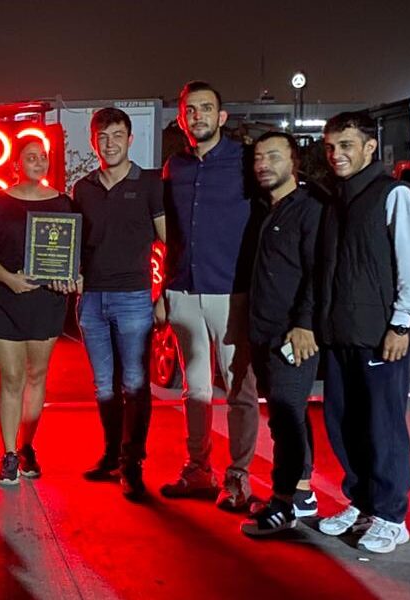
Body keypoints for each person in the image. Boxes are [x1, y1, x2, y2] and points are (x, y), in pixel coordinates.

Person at [315, 112, 410, 554]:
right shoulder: (336, 200)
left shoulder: (394, 195)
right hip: (342, 334)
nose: (336, 155)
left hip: (383, 336)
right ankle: (363, 503)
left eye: (346, 145)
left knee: (383, 428)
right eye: (330, 147)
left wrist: (401, 323)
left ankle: (391, 516)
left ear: (369, 147)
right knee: (345, 424)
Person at [158, 81, 260, 511]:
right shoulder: (174, 167)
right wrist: (164, 288)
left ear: (222, 117)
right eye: (190, 110)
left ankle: (238, 478)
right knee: (195, 388)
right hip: (183, 289)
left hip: (231, 292)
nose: (197, 115)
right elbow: (169, 231)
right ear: (181, 118)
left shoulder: (245, 162)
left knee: (239, 389)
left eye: (205, 108)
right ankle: (198, 469)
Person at [0, 138, 78, 487]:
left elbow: (73, 255)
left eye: (42, 156)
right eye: (30, 157)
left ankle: (27, 445)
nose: (38, 161)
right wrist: (9, 279)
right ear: (16, 165)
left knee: (37, 376)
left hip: (46, 300)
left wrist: (71, 278)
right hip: (4, 298)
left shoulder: (64, 203)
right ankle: (9, 454)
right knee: (12, 377)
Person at [71, 108, 165, 499]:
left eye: (117, 135)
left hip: (134, 298)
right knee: (103, 387)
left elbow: (167, 241)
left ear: (130, 139)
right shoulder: (83, 188)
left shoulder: (150, 184)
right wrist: (72, 275)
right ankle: (111, 455)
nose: (109, 144)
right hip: (92, 299)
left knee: (135, 383)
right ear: (93, 142)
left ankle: (132, 463)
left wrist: (163, 296)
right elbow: (76, 243)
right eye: (102, 137)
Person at [239, 132, 324, 536]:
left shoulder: (308, 210)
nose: (263, 165)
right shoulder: (263, 209)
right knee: (285, 415)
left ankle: (286, 501)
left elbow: (317, 271)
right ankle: (300, 494)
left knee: (288, 415)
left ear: (294, 162)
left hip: (294, 335)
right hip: (264, 331)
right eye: (258, 158)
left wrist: (305, 323)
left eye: (273, 156)